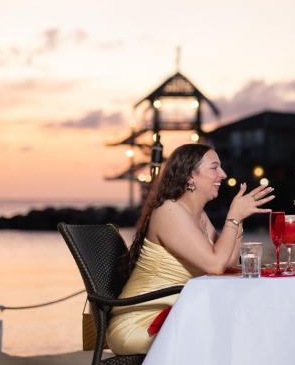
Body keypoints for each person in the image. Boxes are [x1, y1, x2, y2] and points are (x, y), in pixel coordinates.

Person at [107, 143, 274, 355]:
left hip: (178, 315)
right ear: (190, 176)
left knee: (245, 327)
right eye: (214, 168)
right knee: (231, 333)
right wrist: (232, 217)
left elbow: (228, 263)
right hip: (140, 323)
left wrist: (238, 220)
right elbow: (215, 265)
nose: (223, 174)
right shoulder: (169, 210)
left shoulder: (199, 215)